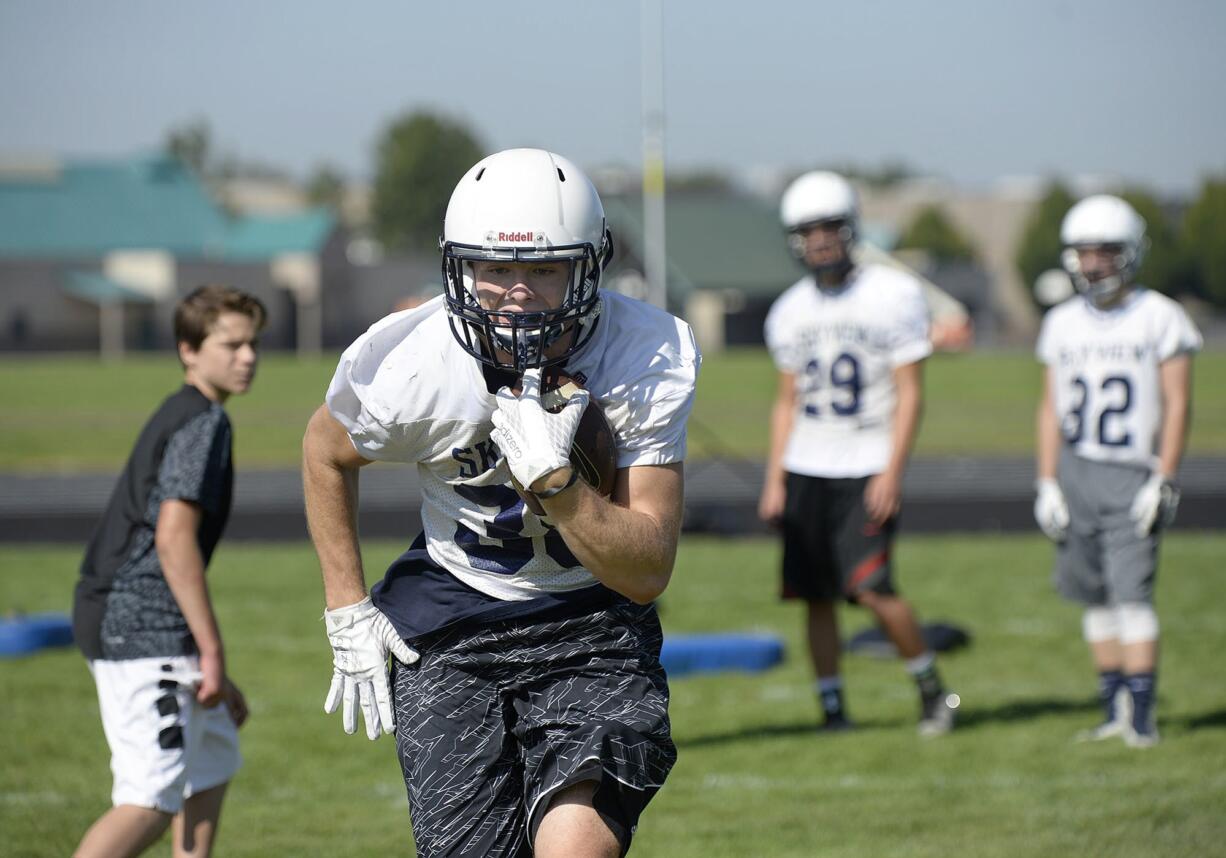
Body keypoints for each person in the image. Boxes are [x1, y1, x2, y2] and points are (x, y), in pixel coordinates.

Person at [303, 148, 699, 857]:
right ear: (458, 268)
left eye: (544, 269)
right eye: (495, 269)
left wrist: (559, 484)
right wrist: (345, 604)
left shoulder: (645, 353)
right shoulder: (411, 363)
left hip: (590, 623)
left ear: (589, 266)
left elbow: (646, 571)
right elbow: (325, 452)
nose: (517, 292)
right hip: (455, 624)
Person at [757, 170, 959, 736]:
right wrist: (774, 479)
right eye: (807, 231)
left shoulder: (893, 294)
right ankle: (833, 709)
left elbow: (911, 393)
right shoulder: (789, 310)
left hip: (867, 462)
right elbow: (786, 402)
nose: (820, 241)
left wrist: (892, 470)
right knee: (814, 596)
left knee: (872, 589)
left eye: (829, 228)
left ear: (850, 230)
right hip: (807, 464)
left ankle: (933, 692)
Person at [73, 284, 264, 857]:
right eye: (230, 344)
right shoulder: (202, 422)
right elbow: (173, 539)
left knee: (211, 762)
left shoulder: (193, 413)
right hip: (138, 624)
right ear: (188, 349)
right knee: (151, 800)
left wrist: (207, 667)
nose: (248, 356)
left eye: (252, 343)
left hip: (149, 622)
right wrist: (210, 653)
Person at [1033, 194, 1200, 748]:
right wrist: (1047, 480)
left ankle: (1143, 716)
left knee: (1132, 596)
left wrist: (1165, 474)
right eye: (1085, 252)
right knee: (1095, 595)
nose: (1094, 263)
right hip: (1077, 467)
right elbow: (1049, 407)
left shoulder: (1160, 316)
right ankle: (1112, 708)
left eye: (1106, 251)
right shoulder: (1061, 322)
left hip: (1133, 468)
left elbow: (1177, 403)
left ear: (1130, 254)